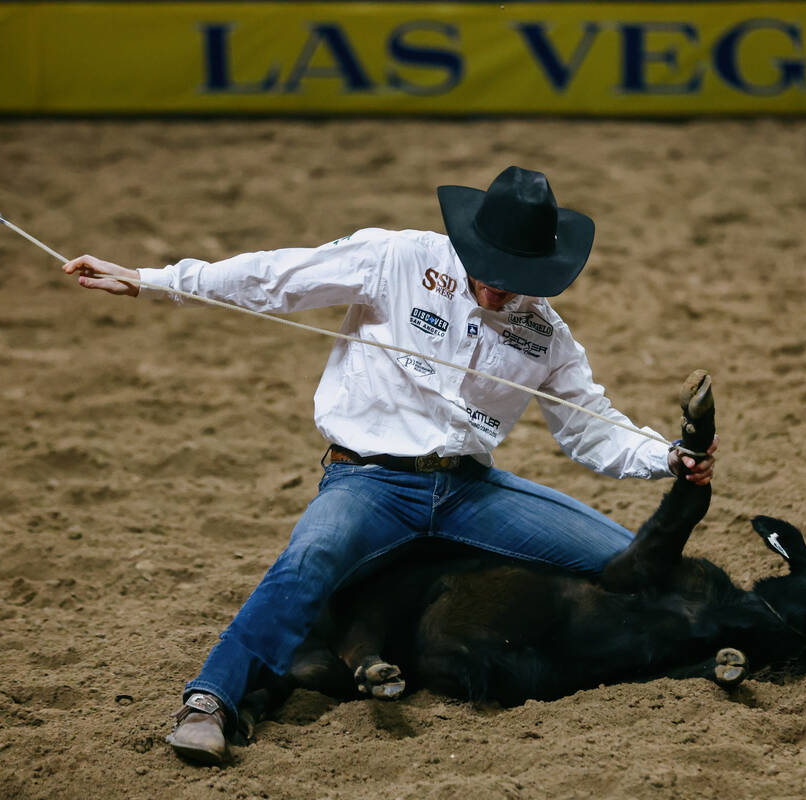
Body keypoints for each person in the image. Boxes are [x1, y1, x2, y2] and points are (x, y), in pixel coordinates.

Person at [63, 166, 717, 765]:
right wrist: (152, 281)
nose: (496, 287)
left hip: (468, 487)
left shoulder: (546, 335)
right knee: (308, 560)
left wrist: (667, 456)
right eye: (487, 269)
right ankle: (211, 700)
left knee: (619, 558)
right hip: (368, 481)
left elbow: (591, 429)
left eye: (514, 276)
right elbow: (274, 278)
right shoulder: (396, 258)